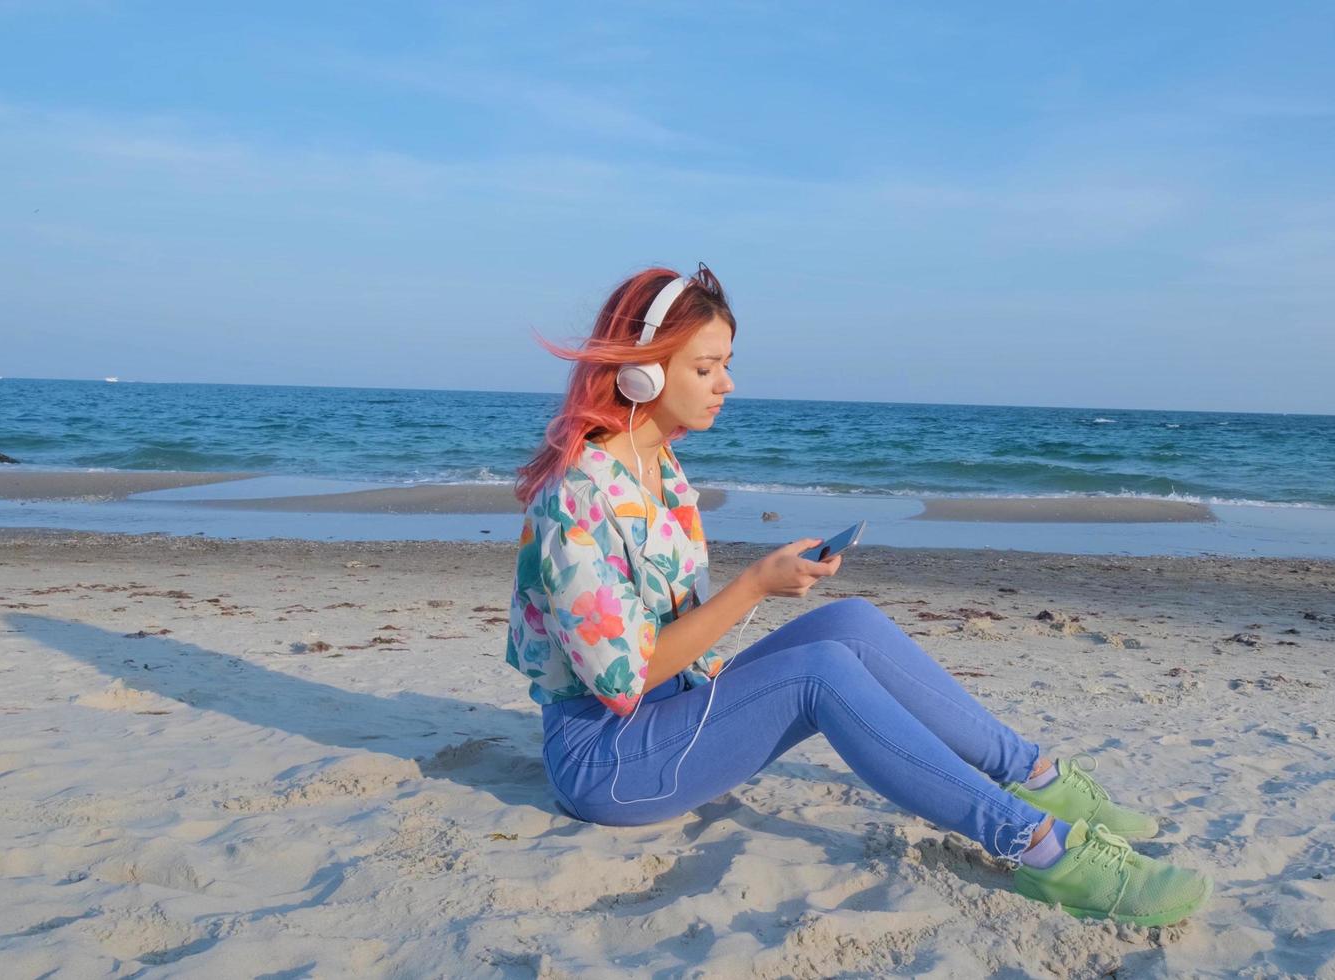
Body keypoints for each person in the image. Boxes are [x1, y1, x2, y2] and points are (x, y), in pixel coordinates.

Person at [505, 264, 1211, 926]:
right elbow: (627, 680)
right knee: (821, 674)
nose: (726, 384)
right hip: (606, 760)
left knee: (849, 622)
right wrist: (755, 586)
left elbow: (676, 646)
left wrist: (768, 587)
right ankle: (1042, 850)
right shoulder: (579, 493)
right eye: (705, 367)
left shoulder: (663, 472)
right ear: (640, 369)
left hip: (673, 713)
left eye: (725, 365)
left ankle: (1037, 774)